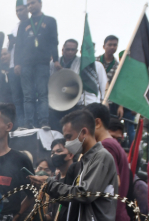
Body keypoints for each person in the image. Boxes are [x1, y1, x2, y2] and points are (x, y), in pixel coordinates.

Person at [14, 0, 59, 129]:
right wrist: (17, 63)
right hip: (26, 63)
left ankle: (44, 121)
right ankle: (28, 122)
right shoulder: (24, 24)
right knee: (28, 95)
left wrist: (55, 59)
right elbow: (19, 45)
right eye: (28, 5)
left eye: (33, 3)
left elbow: (54, 41)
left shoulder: (50, 21)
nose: (30, 6)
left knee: (42, 93)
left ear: (40, 3)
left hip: (42, 62)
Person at [49, 39, 107, 130]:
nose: (70, 52)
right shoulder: (54, 63)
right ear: (62, 49)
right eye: (67, 49)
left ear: (77, 51)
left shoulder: (92, 64)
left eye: (73, 50)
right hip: (65, 102)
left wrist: (104, 101)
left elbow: (103, 85)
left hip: (85, 103)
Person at [99, 35, 136, 145]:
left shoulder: (117, 66)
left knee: (112, 124)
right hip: (95, 98)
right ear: (104, 46)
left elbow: (119, 88)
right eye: (110, 44)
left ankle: (129, 147)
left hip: (111, 101)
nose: (112, 47)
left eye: (115, 45)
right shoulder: (95, 61)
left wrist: (121, 105)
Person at [6, 0, 30, 124]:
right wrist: (11, 42)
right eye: (17, 11)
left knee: (28, 95)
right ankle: (21, 123)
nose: (19, 13)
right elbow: (8, 50)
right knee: (16, 98)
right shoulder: (14, 28)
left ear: (27, 9)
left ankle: (29, 122)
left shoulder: (32, 24)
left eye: (21, 9)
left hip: (27, 65)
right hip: (12, 67)